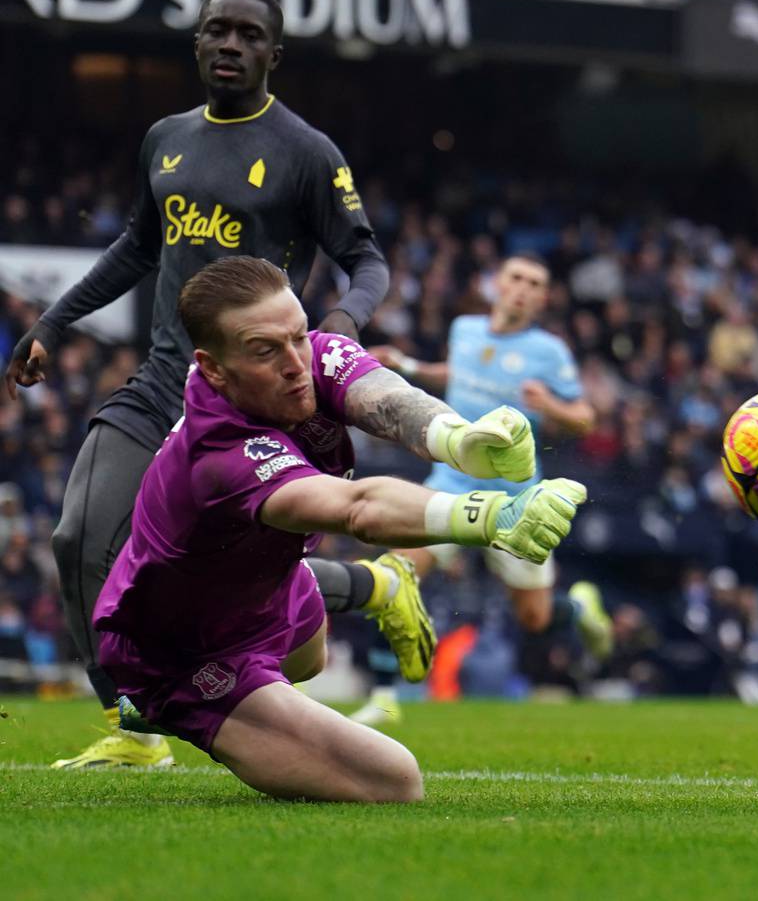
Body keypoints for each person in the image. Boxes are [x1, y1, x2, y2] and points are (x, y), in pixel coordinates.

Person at [2, 0, 431, 770]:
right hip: (166, 381)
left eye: (247, 34)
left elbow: (366, 257)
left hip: (253, 401)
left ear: (274, 53)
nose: (230, 44)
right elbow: (138, 245)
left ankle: (376, 587)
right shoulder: (165, 137)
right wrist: (55, 321)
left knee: (229, 580)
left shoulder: (306, 151)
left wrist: (343, 319)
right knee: (77, 538)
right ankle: (133, 728)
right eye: (216, 31)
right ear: (197, 44)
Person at [95, 256, 583, 801]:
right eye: (265, 351)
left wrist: (458, 440)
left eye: (299, 336)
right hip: (187, 648)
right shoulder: (221, 452)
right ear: (213, 368)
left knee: (311, 658)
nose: (296, 364)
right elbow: (356, 508)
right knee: (394, 781)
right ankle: (160, 703)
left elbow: (385, 399)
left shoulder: (305, 356)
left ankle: (377, 590)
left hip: (270, 585)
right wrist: (488, 517)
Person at [351, 253, 607, 727]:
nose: (523, 288)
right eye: (516, 278)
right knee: (393, 576)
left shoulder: (547, 351)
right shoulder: (465, 330)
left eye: (534, 282)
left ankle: (577, 607)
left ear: (542, 298)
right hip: (450, 484)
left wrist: (550, 404)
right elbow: (460, 374)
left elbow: (586, 417)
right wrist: (407, 364)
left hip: (515, 499)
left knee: (534, 618)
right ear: (496, 284)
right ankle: (384, 698)